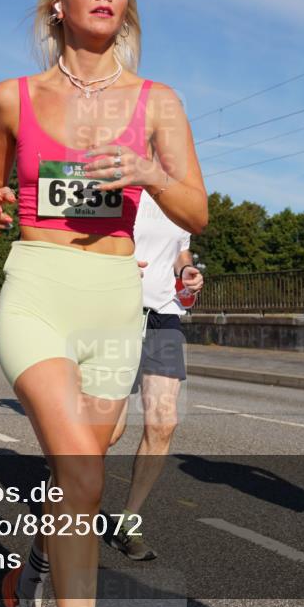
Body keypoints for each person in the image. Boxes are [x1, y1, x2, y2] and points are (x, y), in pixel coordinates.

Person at [0, 0, 207, 607]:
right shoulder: (11, 97)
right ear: (57, 3)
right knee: (84, 472)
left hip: (114, 298)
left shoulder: (158, 102)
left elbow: (197, 211)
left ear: (126, 5)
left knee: (82, 471)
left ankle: (32, 570)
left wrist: (148, 171)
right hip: (38, 289)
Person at [106, 192, 203, 561]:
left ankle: (126, 524)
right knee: (108, 431)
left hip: (164, 315)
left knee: (163, 423)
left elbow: (180, 249)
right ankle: (69, 501)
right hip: (117, 311)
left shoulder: (181, 193)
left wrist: (185, 271)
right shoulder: (121, 186)